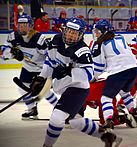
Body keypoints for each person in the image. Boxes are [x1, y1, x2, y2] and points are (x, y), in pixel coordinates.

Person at [29, 17, 122, 147]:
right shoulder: (55, 41)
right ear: (65, 30)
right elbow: (50, 62)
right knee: (75, 121)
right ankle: (107, 136)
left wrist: (68, 71)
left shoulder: (83, 51)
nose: (71, 35)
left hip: (78, 89)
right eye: (69, 31)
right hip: (64, 87)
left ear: (81, 35)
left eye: (75, 33)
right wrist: (41, 78)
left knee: (57, 117)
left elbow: (88, 75)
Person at [0, 15, 58, 119]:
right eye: (20, 25)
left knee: (44, 91)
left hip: (42, 69)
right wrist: (12, 54)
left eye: (25, 25)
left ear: (31, 26)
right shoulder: (13, 37)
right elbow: (3, 52)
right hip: (27, 67)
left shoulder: (38, 39)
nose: (22, 27)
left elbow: (50, 55)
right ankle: (32, 108)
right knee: (22, 88)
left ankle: (60, 110)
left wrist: (49, 73)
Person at [91, 19, 137, 129]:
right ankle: (134, 115)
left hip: (119, 71)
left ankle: (108, 121)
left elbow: (99, 67)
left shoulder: (100, 44)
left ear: (104, 31)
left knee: (105, 98)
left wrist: (94, 78)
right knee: (125, 92)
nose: (96, 34)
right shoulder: (120, 37)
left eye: (98, 31)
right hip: (134, 68)